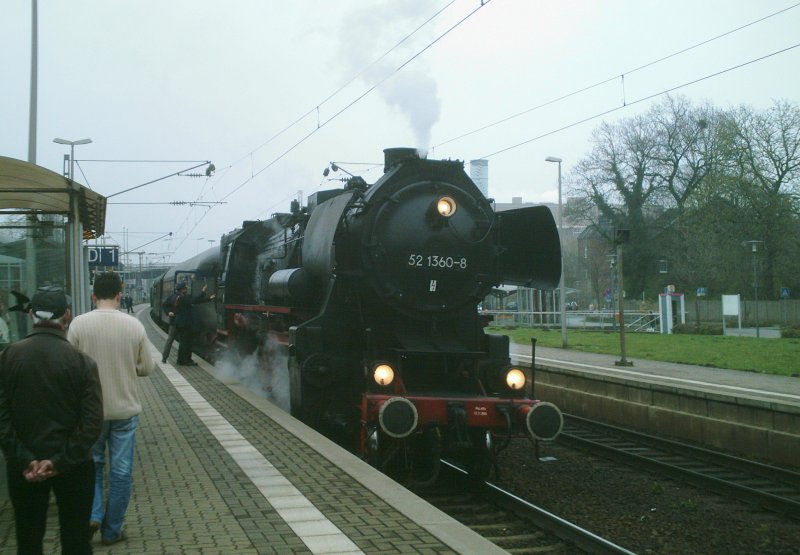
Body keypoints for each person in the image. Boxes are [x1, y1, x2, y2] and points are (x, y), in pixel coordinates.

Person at [0, 286, 103, 555]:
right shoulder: (82, 363)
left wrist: (25, 460)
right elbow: (92, 423)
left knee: (28, 540)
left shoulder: (8, 357)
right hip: (75, 468)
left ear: (31, 314)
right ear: (66, 316)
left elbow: (2, 419)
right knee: (76, 541)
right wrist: (59, 462)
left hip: (24, 469)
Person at [67, 272, 155, 547]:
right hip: (124, 410)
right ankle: (112, 529)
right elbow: (147, 367)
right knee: (121, 472)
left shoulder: (79, 325)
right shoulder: (133, 326)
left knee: (92, 468)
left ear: (93, 296)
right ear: (120, 296)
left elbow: (69, 369)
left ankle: (93, 514)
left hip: (90, 413)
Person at [174, 281, 211, 366]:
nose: (187, 289)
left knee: (183, 343)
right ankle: (187, 360)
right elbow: (196, 300)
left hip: (180, 323)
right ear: (182, 289)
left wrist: (208, 299)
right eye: (185, 288)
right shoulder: (184, 298)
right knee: (187, 343)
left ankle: (180, 360)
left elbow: (195, 300)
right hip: (185, 324)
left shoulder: (179, 297)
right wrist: (203, 291)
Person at [160, 286, 180, 363]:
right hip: (177, 322)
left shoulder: (172, 297)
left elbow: (164, 305)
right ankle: (165, 357)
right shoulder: (176, 297)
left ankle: (164, 357)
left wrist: (168, 312)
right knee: (174, 340)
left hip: (174, 322)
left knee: (170, 339)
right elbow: (165, 305)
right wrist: (168, 312)